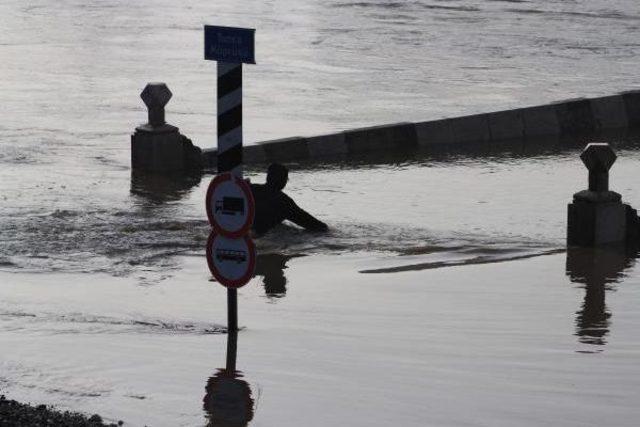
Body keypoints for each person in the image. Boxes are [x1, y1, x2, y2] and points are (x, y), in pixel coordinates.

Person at [249, 163, 328, 235]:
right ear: (284, 181)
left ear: (268, 177)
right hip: (263, 236)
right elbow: (314, 224)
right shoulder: (284, 202)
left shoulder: (251, 189)